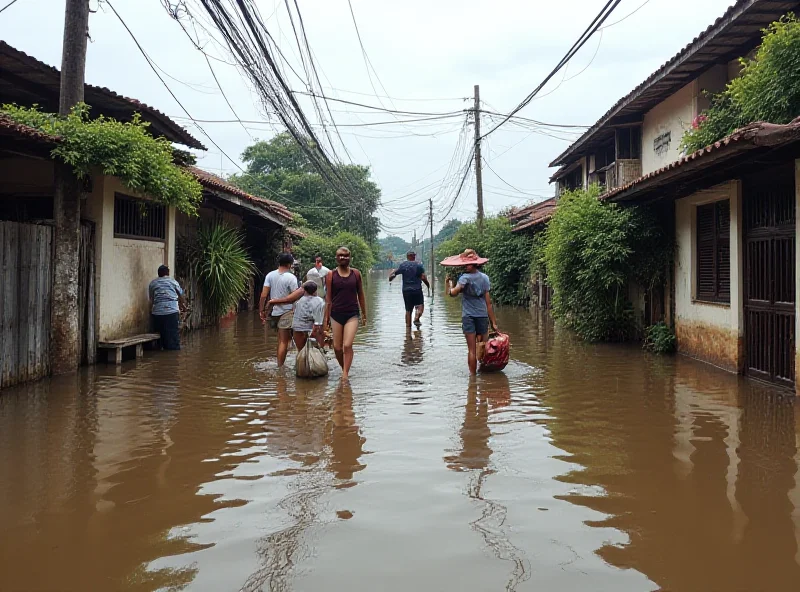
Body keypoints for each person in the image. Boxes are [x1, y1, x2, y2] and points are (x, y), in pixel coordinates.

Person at [445, 250, 499, 375]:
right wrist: (494, 323)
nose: (465, 266)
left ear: (473, 264)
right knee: (483, 348)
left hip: (469, 316)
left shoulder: (464, 278)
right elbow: (488, 303)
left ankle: (472, 379)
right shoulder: (485, 278)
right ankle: (483, 377)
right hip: (482, 316)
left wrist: (450, 285)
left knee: (472, 350)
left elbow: (453, 293)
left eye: (467, 264)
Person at [323, 246, 367, 380]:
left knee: (347, 345)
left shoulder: (356, 274)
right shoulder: (331, 275)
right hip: (336, 313)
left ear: (350, 258)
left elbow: (361, 294)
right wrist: (326, 319)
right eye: (340, 255)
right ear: (336, 258)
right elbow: (328, 298)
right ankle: (344, 370)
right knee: (337, 348)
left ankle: (345, 375)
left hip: (352, 314)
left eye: (346, 255)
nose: (343, 257)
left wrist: (364, 314)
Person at [259, 252, 299, 367]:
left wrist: (261, 311)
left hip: (274, 313)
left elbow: (263, 295)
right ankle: (280, 368)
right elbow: (294, 296)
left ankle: (280, 363)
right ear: (290, 264)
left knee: (281, 340)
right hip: (286, 312)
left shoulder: (270, 275)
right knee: (284, 341)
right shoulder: (291, 277)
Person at [267, 281, 326, 352]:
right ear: (315, 290)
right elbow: (318, 318)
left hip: (298, 328)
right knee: (317, 350)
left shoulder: (298, 301)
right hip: (312, 328)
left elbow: (296, 316)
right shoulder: (320, 301)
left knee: (301, 351)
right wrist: (316, 329)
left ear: (304, 290)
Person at [389, 250, 430, 327]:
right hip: (417, 290)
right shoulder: (419, 265)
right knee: (420, 306)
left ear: (407, 257)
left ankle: (408, 331)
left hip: (406, 291)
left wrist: (391, 277)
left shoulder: (403, 265)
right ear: (414, 256)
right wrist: (428, 285)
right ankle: (417, 317)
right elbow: (423, 277)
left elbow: (393, 274)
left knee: (408, 310)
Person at [149, 264, 185, 350]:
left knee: (160, 336)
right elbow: (181, 295)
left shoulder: (153, 283)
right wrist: (183, 306)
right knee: (173, 337)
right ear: (168, 273)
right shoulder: (173, 282)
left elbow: (152, 299)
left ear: (158, 274)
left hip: (157, 313)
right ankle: (172, 356)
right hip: (171, 312)